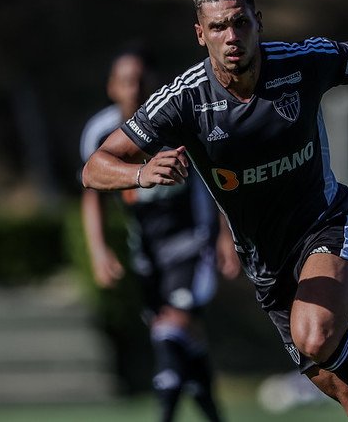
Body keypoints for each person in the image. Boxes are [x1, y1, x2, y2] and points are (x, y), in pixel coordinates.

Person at [82, 0, 348, 422]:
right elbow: (94, 166)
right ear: (200, 34)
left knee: (313, 334)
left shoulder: (303, 62)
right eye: (218, 28)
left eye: (240, 23)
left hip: (327, 226)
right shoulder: (185, 100)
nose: (231, 37)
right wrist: (140, 172)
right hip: (266, 264)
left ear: (259, 22)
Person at [80, 47, 241, 422]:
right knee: (186, 338)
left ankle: (165, 413)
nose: (134, 89)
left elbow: (218, 181)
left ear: (155, 83)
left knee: (171, 326)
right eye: (126, 81)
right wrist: (99, 250)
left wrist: (224, 235)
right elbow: (93, 190)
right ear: (111, 87)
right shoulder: (100, 134)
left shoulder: (177, 119)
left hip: (193, 242)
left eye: (141, 80)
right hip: (148, 250)